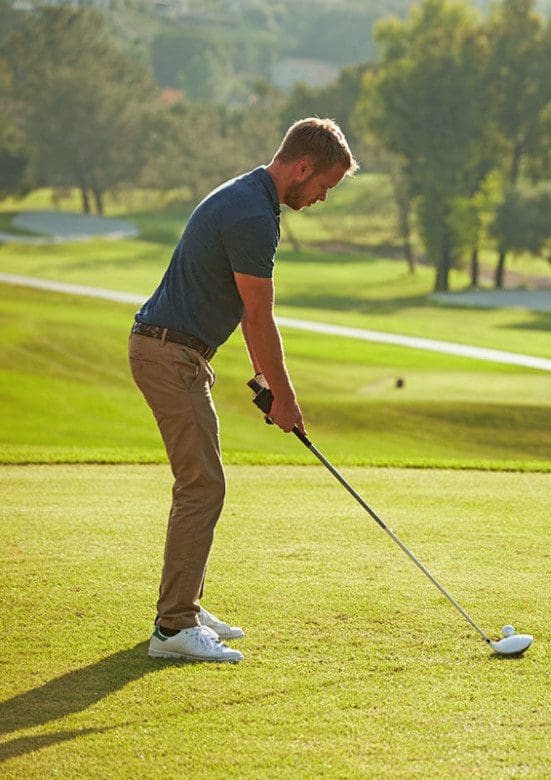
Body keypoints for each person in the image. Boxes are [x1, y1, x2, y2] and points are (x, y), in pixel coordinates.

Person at [129, 118, 358, 662]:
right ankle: (174, 627)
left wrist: (265, 380)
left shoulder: (250, 196)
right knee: (203, 486)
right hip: (169, 354)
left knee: (203, 482)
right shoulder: (254, 215)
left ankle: (186, 605)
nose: (320, 198)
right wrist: (285, 397)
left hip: (176, 351)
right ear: (301, 167)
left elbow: (242, 312)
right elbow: (259, 317)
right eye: (323, 187)